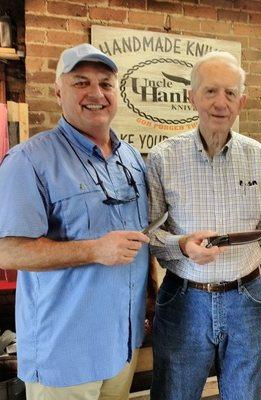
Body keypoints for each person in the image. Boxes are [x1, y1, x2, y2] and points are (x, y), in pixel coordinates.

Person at [0, 43, 150, 399]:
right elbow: (8, 253)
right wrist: (95, 250)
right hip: (64, 355)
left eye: (106, 84)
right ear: (58, 92)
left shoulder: (130, 157)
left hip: (122, 344)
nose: (96, 93)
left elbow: (141, 238)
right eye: (81, 82)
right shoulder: (29, 161)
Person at [147, 51, 261, 400]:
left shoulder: (256, 156)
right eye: (210, 91)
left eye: (230, 93)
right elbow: (147, 235)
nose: (220, 102)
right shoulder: (163, 157)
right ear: (191, 97)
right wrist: (182, 245)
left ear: (241, 101)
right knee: (174, 394)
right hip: (185, 298)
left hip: (248, 298)